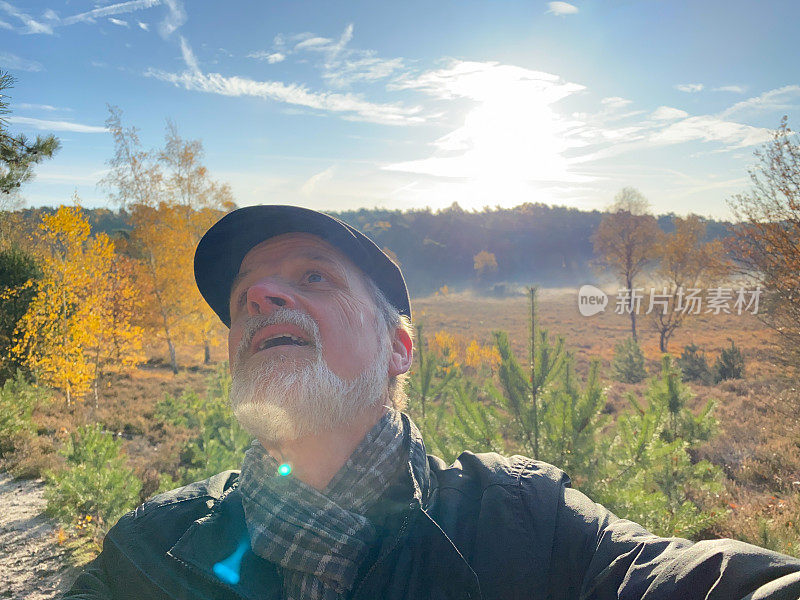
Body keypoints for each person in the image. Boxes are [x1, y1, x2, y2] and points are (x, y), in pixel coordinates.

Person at [65, 205, 800, 600]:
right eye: (244, 294)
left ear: (399, 350)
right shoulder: (149, 551)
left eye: (314, 277)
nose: (259, 296)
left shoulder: (528, 528)